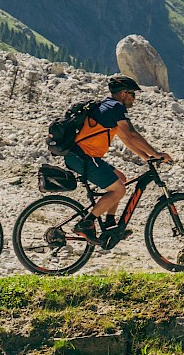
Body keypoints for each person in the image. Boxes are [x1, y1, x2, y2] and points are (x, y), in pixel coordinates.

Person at [63, 74, 172, 237]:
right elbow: (132, 134)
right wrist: (156, 153)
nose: (134, 98)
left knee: (121, 179)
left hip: (83, 156)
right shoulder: (116, 108)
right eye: (132, 94)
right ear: (123, 94)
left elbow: (126, 139)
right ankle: (86, 223)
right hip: (83, 157)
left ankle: (110, 223)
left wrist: (146, 157)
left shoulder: (108, 107)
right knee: (118, 190)